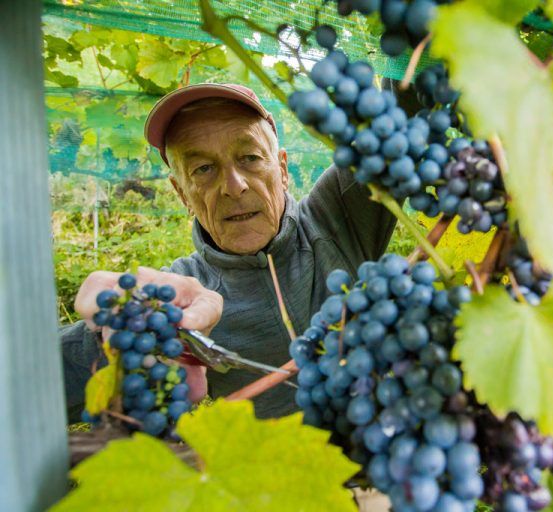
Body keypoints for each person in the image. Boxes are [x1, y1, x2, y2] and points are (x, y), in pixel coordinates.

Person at [60, 83, 397, 421]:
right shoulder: (183, 299)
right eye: (203, 169)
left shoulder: (338, 213)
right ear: (182, 193)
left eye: (249, 158)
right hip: (279, 471)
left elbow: (405, 110)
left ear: (281, 169)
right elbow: (24, 388)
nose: (234, 186)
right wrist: (109, 335)